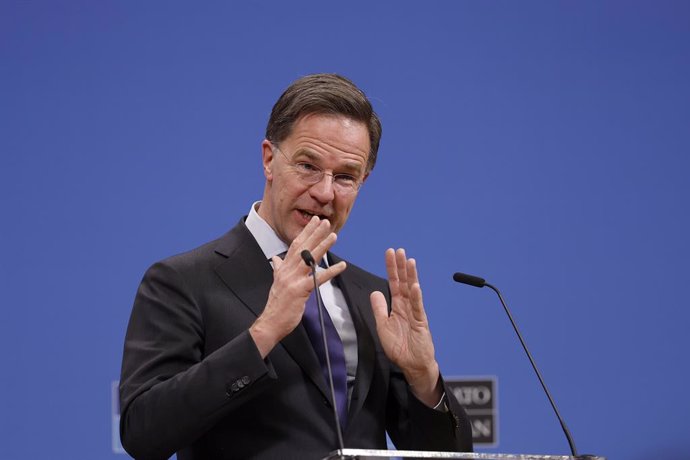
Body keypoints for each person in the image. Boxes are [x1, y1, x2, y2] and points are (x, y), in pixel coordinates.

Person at [119, 73, 473, 460]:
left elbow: (447, 454)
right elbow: (142, 432)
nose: (324, 192)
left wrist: (424, 379)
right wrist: (265, 331)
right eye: (307, 166)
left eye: (344, 177)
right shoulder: (184, 282)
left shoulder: (373, 297)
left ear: (363, 181)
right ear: (269, 159)